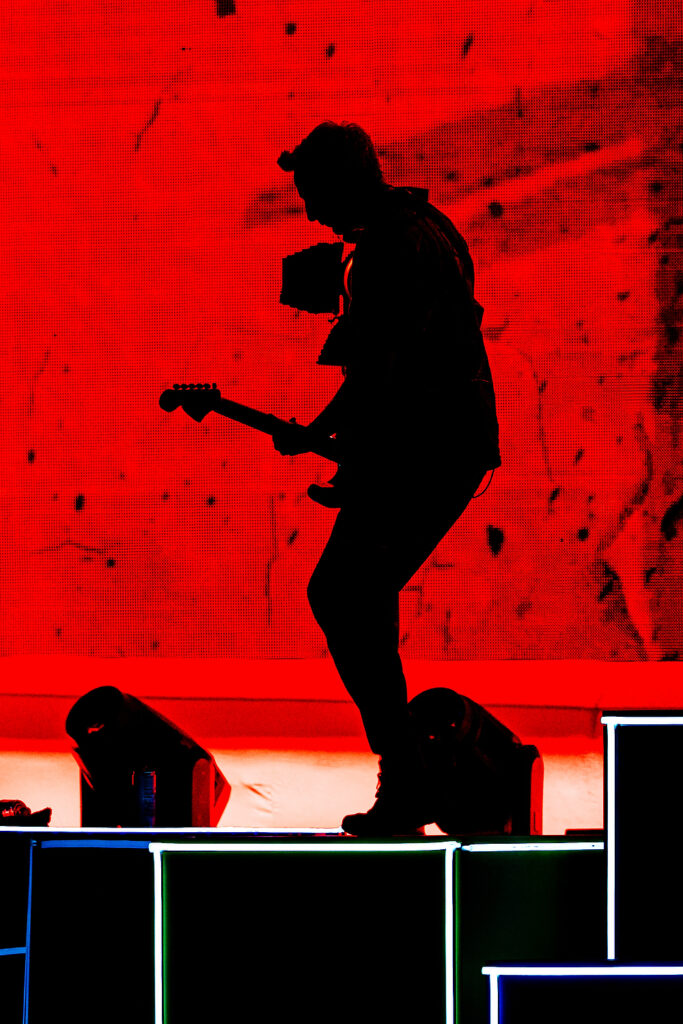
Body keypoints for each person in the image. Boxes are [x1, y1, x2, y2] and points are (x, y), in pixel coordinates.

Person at [273, 122, 501, 835]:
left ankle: (406, 773)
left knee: (344, 595)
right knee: (355, 597)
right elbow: (392, 365)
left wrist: (322, 433)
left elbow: (385, 369)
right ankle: (406, 771)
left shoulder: (390, 246)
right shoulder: (414, 230)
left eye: (312, 193)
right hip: (432, 448)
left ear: (343, 181)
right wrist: (335, 441)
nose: (310, 211)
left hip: (428, 451)